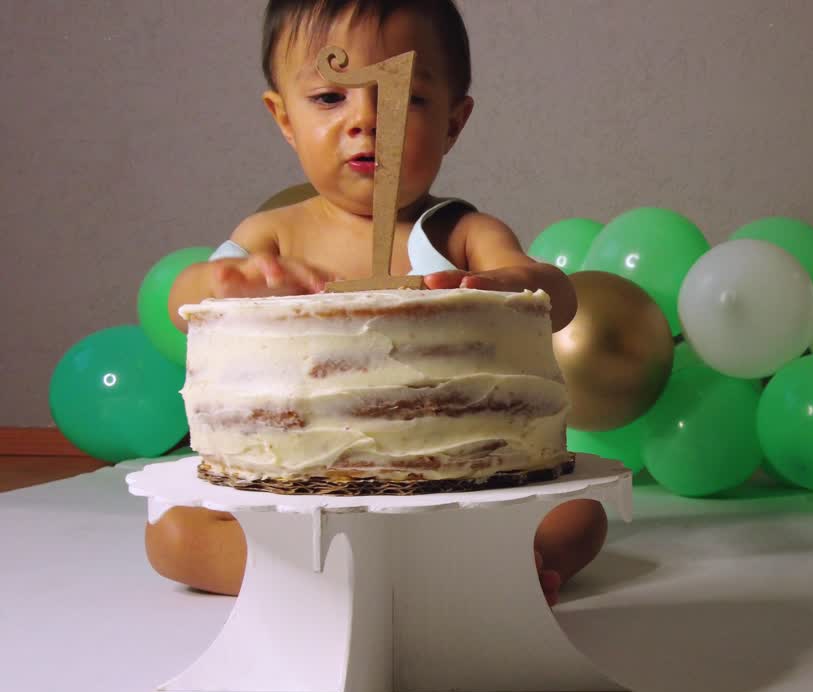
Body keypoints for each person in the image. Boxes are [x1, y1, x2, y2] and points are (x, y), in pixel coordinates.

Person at [145, 0, 605, 606]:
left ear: (453, 121)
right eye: (330, 98)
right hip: (290, 492)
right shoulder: (274, 235)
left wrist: (508, 285)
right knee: (174, 533)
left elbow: (557, 296)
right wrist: (231, 284)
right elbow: (187, 300)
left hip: (453, 494)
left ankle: (438, 573)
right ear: (283, 117)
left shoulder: (459, 232)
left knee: (581, 513)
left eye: (408, 99)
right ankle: (358, 583)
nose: (368, 119)